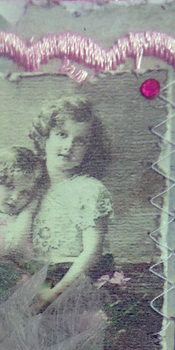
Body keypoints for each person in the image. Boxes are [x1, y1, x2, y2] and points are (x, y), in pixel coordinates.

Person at [30, 96, 113, 310]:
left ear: (89, 149)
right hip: (32, 279)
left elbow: (92, 251)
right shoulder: (31, 188)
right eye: (62, 134)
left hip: (72, 282)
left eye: (80, 141)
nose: (68, 146)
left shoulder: (89, 190)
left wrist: (54, 294)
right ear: (44, 138)